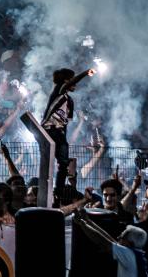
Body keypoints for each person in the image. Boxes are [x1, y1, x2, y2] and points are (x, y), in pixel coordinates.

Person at [41, 66, 94, 200]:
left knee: (64, 163)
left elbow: (66, 122)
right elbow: (68, 84)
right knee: (49, 161)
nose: (74, 84)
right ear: (66, 81)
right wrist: (85, 72)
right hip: (49, 129)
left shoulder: (70, 101)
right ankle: (45, 188)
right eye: (72, 81)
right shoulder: (58, 91)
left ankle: (58, 192)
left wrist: (64, 137)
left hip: (59, 132)